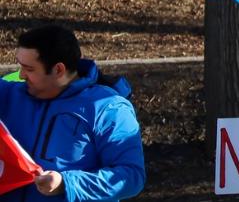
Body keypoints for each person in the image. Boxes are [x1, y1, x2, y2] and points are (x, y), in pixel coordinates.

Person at [0, 25, 145, 202]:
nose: (21, 75)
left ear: (58, 70)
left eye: (29, 69)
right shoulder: (9, 94)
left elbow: (131, 177)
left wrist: (67, 184)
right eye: (20, 66)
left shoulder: (107, 108)